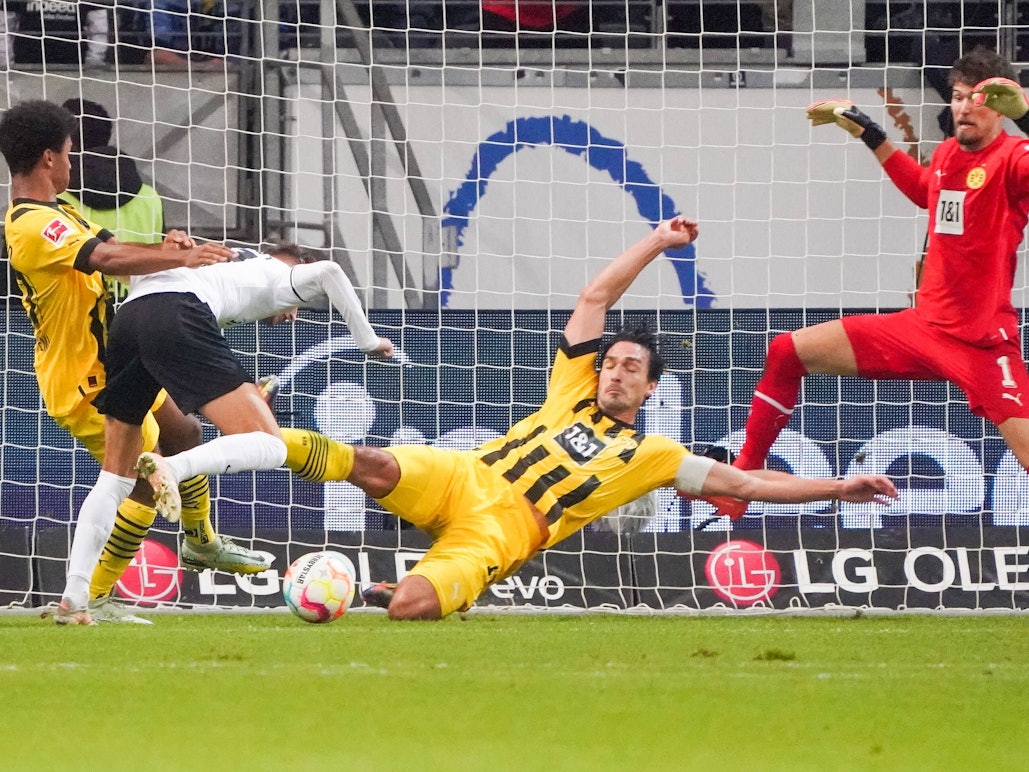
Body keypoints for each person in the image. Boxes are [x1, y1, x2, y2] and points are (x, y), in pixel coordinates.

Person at [188, 216, 893, 622]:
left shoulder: (652, 456)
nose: (614, 372)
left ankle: (395, 589)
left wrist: (838, 487)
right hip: (463, 475)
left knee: (410, 610)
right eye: (610, 362)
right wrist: (655, 243)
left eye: (630, 369)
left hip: (504, 530)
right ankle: (253, 441)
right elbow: (594, 298)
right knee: (370, 462)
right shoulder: (572, 387)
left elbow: (746, 484)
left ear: (649, 388)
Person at [722, 47, 1029, 520]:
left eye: (978, 98)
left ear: (1002, 107)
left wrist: (1026, 119)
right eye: (957, 96)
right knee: (787, 350)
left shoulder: (1015, 158)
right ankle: (742, 479)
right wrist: (870, 132)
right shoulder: (949, 153)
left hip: (982, 344)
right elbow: (924, 192)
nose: (964, 107)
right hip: (922, 328)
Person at [0, 99, 268, 624]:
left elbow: (118, 246)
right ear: (50, 158)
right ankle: (92, 595)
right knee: (140, 478)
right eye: (70, 154)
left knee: (185, 433)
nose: (73, 164)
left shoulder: (61, 212)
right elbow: (106, 259)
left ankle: (201, 540)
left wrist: (167, 247)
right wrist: (184, 257)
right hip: (83, 380)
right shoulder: (30, 225)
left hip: (118, 359)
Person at [55, 244, 394, 624]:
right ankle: (173, 468)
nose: (293, 315)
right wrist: (369, 342)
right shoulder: (280, 274)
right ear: (297, 264)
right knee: (272, 445)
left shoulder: (227, 260)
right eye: (299, 305)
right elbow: (329, 271)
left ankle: (74, 599)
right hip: (177, 312)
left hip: (129, 320)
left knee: (114, 478)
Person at [58, 98, 165, 301]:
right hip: (139, 306)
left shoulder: (51, 196)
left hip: (76, 308)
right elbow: (163, 255)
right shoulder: (150, 197)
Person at [2, 0, 109, 68]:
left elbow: (99, 30)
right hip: (26, 62)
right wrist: (5, 59)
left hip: (73, 63)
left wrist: (94, 59)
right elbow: (4, 26)